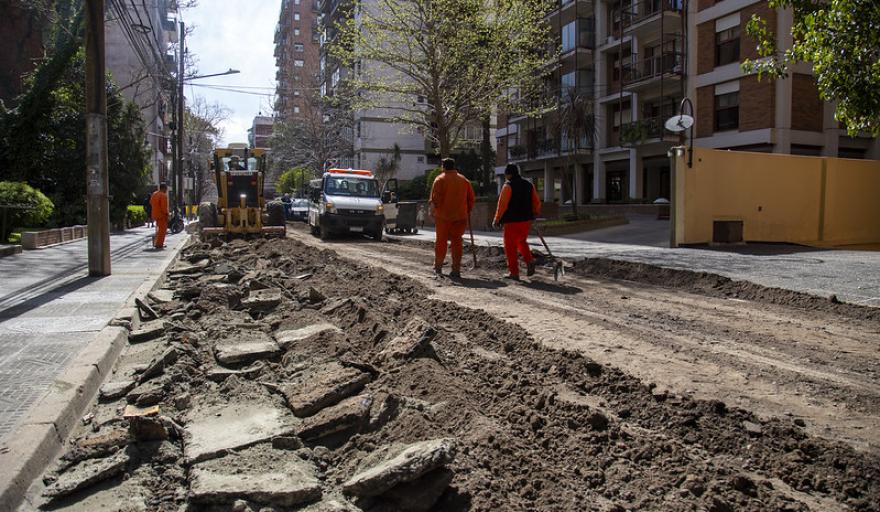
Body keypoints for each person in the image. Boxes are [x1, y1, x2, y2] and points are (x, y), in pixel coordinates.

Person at [493, 163, 541, 280]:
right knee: (521, 241)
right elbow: (536, 201)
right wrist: (535, 213)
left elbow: (502, 205)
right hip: (526, 220)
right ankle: (529, 261)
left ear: (508, 174)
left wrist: (497, 219)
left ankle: (514, 273)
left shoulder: (508, 186)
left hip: (511, 221)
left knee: (510, 247)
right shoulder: (529, 185)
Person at [430, 157, 475, 279]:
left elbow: (435, 200)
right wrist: (467, 210)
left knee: (441, 241)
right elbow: (471, 199)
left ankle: (438, 266)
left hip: (443, 217)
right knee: (457, 242)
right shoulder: (464, 180)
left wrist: (432, 211)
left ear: (443, 167)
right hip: (460, 217)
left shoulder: (440, 179)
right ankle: (456, 269)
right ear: (454, 166)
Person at [149, 182, 169, 249]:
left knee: (158, 229)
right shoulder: (163, 196)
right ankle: (159, 244)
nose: (166, 191)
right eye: (166, 189)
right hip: (161, 215)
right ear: (164, 188)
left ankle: (157, 242)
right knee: (162, 230)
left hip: (155, 214)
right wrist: (167, 213)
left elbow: (151, 202)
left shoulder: (154, 194)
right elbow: (164, 207)